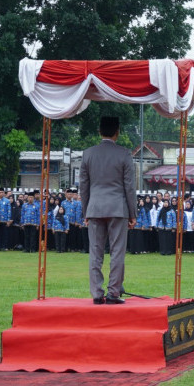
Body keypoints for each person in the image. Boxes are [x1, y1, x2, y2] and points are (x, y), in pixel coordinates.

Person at [80, 116, 137, 305]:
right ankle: (113, 292)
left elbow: (84, 186)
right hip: (117, 208)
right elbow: (129, 186)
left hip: (95, 207)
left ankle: (97, 293)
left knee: (95, 251)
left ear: (99, 131)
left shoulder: (88, 154)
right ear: (117, 132)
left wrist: (85, 211)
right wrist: (133, 213)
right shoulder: (124, 154)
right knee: (117, 251)